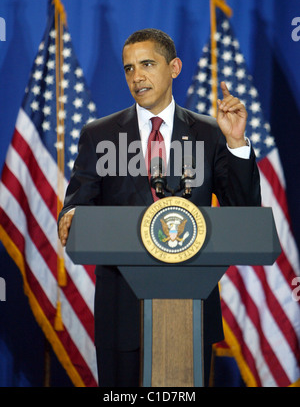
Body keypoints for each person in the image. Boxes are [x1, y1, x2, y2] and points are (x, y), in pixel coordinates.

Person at [58, 28, 261, 387]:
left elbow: (244, 211)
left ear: (175, 67)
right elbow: (78, 201)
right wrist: (71, 215)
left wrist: (237, 143)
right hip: (122, 309)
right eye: (129, 68)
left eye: (147, 64)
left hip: (190, 306)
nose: (137, 77)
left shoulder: (211, 133)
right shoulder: (100, 135)